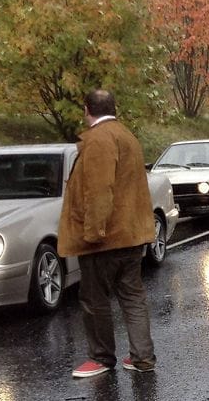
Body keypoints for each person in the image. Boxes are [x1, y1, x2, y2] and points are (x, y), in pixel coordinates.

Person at [60, 90, 157, 378]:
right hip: (131, 234)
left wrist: (93, 233)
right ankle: (143, 357)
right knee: (132, 296)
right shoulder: (127, 136)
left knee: (94, 299)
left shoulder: (99, 139)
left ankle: (101, 357)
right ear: (114, 108)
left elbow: (100, 190)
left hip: (106, 239)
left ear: (86, 109)